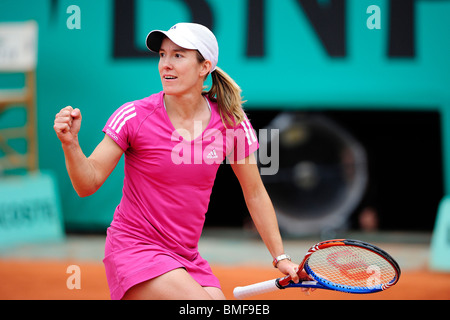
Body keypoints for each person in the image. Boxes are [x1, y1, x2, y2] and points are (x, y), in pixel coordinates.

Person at [54, 22, 310, 300]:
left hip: (185, 256)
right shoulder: (133, 116)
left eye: (178, 55)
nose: (166, 64)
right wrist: (71, 145)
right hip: (135, 248)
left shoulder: (231, 123)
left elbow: (255, 193)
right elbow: (86, 184)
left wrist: (280, 257)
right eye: (162, 55)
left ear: (204, 67)